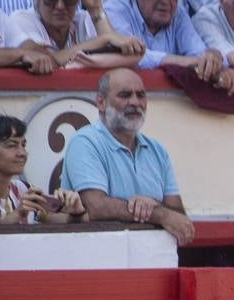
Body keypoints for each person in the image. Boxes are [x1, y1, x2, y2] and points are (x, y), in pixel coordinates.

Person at [60, 67, 196, 244]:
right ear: (101, 102)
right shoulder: (86, 142)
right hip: (99, 257)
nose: (135, 102)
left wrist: (152, 203)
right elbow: (96, 207)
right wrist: (158, 213)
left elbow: (178, 216)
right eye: (125, 95)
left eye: (141, 95)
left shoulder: (157, 150)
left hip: (151, 259)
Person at [104, 0, 234, 94]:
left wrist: (213, 58)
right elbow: (132, 56)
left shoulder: (178, 14)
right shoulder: (114, 12)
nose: (166, 1)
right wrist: (188, 62)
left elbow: (198, 53)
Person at [0, 113, 87, 222]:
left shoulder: (24, 189)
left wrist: (76, 213)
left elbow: (55, 221)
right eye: (11, 145)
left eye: (23, 145)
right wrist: (17, 215)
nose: (22, 153)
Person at [8, 0, 146, 68]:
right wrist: (104, 40)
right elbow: (51, 59)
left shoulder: (83, 18)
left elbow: (121, 53)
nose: (60, 6)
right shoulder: (21, 20)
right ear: (36, 0)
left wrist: (96, 10)